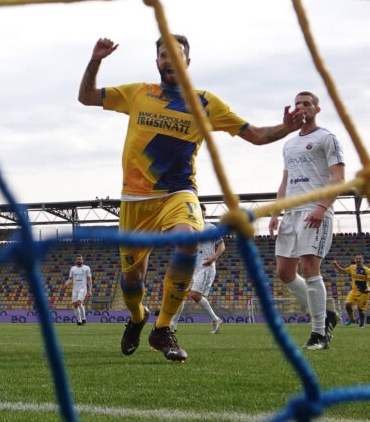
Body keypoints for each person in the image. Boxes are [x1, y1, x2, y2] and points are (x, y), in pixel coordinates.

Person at [78, 35, 304, 362]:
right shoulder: (137, 93)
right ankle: (139, 317)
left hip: (178, 194)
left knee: (189, 241)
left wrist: (285, 127)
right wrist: (96, 59)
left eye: (176, 55)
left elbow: (255, 135)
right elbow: (85, 96)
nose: (169, 60)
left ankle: (163, 328)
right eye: (162, 55)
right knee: (131, 280)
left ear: (187, 62)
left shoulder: (205, 103)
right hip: (135, 202)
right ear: (157, 61)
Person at [269, 91, 344, 350]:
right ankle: (327, 316)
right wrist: (276, 212)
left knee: (311, 267)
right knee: (284, 272)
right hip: (291, 212)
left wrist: (323, 207)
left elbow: (338, 178)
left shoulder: (327, 138)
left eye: (307, 103)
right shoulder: (289, 144)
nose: (301, 107)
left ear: (316, 109)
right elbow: (285, 181)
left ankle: (319, 333)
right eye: (298, 103)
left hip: (315, 209)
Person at [169, 204, 225, 335]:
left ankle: (215, 319)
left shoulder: (211, 228)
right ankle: (172, 325)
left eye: (203, 211)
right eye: (199, 211)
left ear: (205, 213)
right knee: (180, 294)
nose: (202, 213)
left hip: (206, 265)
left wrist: (214, 257)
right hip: (191, 267)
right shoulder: (190, 228)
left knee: (195, 295)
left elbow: (222, 245)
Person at [332, 254, 370, 327]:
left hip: (363, 292)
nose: (358, 260)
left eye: (360, 259)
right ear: (355, 260)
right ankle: (352, 319)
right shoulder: (352, 267)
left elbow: (369, 281)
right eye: (357, 258)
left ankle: (361, 324)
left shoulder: (367, 270)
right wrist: (336, 265)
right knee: (347, 304)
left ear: (363, 260)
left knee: (360, 310)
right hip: (354, 291)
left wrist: (368, 288)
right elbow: (343, 271)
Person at [63, 254, 92, 326]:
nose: (79, 260)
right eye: (77, 259)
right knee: (75, 305)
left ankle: (84, 319)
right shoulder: (72, 269)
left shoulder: (86, 268)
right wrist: (66, 284)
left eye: (80, 259)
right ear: (76, 260)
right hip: (75, 289)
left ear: (82, 260)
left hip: (83, 288)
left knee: (79, 303)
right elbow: (70, 279)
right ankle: (79, 321)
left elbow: (89, 279)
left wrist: (90, 290)